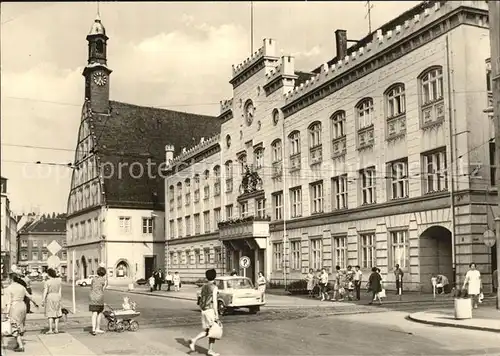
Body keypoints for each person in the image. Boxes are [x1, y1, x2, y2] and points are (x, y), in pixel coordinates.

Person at [3, 272, 38, 352]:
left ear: (11, 279)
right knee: (20, 324)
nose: (7, 280)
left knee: (14, 326)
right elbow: (29, 296)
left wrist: (6, 313)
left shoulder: (8, 289)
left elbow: (8, 302)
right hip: (22, 305)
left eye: (8, 278)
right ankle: (17, 344)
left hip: (15, 307)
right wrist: (35, 302)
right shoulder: (21, 287)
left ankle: (21, 346)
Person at [189, 269, 220, 356]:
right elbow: (214, 301)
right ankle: (197, 342)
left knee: (208, 330)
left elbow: (201, 299)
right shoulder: (214, 287)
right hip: (210, 310)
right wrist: (216, 314)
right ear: (215, 276)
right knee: (213, 330)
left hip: (203, 310)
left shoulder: (204, 286)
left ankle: (195, 341)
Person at [41, 268, 63, 334]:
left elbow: (45, 291)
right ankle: (56, 329)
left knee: (50, 313)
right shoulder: (59, 281)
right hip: (57, 296)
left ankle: (50, 329)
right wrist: (60, 298)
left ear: (49, 274)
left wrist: (43, 300)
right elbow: (60, 291)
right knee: (57, 313)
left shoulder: (47, 282)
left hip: (50, 296)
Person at [89, 266, 107, 335]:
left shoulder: (93, 279)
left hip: (92, 297)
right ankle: (97, 328)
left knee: (94, 313)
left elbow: (91, 287)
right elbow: (103, 289)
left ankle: (93, 329)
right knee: (99, 313)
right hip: (99, 298)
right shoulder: (103, 280)